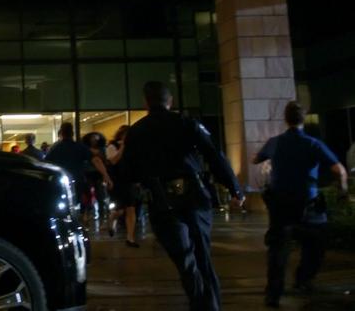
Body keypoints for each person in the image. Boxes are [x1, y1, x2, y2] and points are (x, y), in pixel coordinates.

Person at [122, 81, 244, 311]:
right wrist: (234, 187)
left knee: (185, 260)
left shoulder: (137, 131)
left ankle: (200, 302)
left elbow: (128, 172)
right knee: (202, 256)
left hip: (162, 201)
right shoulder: (187, 123)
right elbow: (214, 155)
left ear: (146, 103)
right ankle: (210, 306)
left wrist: (129, 201)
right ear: (170, 102)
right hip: (195, 196)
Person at [253, 101, 349, 308]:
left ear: (286, 119)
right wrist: (342, 192)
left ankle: (273, 294)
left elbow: (256, 159)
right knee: (316, 244)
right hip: (309, 206)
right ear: (303, 119)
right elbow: (339, 170)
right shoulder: (312, 144)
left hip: (280, 206)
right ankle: (303, 280)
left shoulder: (275, 142)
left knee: (278, 250)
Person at [46, 122, 112, 215]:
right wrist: (106, 175)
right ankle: (83, 217)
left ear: (61, 133)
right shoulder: (80, 147)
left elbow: (46, 164)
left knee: (62, 205)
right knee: (82, 201)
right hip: (78, 180)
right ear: (72, 133)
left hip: (60, 182)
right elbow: (96, 160)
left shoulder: (55, 148)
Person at [105, 125, 140, 247]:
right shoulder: (111, 146)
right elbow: (114, 160)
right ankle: (111, 219)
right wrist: (123, 147)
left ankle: (130, 238)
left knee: (131, 208)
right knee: (120, 211)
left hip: (129, 181)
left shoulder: (132, 147)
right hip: (116, 181)